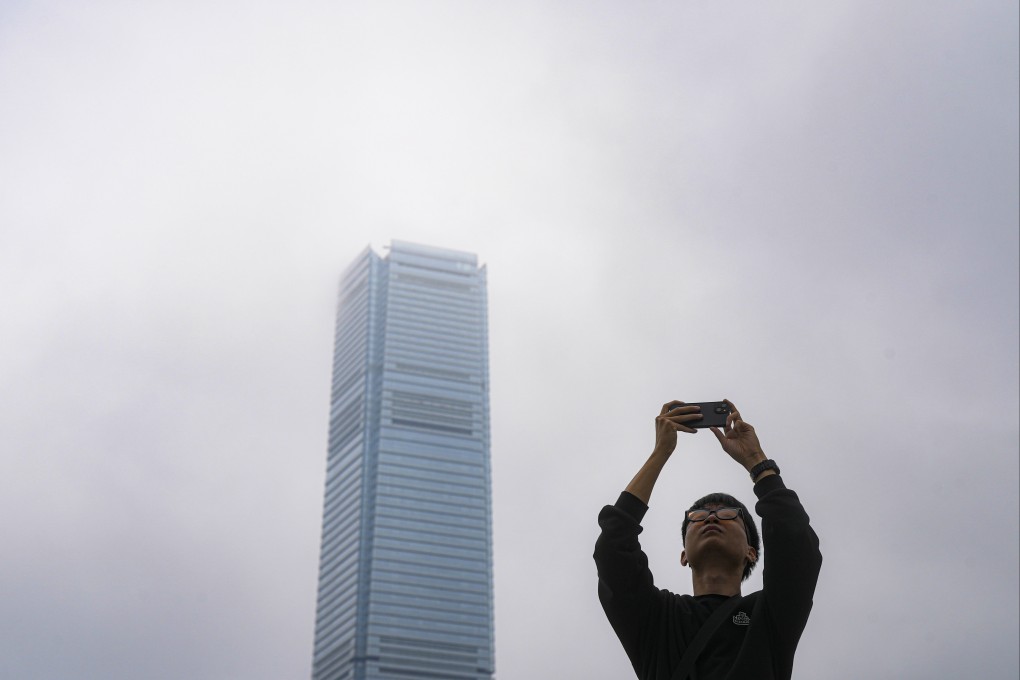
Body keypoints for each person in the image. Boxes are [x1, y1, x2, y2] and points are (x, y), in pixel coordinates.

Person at [593, 399, 821, 680]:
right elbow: (613, 546)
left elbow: (796, 543)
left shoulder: (770, 615)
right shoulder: (656, 618)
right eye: (698, 516)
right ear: (684, 555)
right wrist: (660, 452)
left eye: (727, 514)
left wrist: (757, 461)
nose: (711, 518)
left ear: (751, 552)